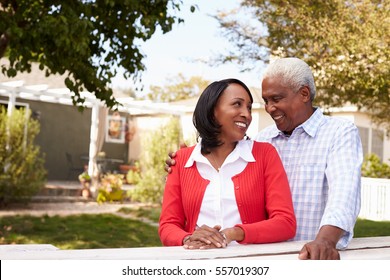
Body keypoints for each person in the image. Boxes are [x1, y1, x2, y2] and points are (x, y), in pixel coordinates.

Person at [165, 58, 363, 259]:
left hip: (316, 253)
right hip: (268, 254)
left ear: (304, 94)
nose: (269, 108)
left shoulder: (339, 133)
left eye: (276, 99)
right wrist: (185, 163)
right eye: (266, 101)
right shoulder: (263, 138)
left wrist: (325, 241)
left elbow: (343, 195)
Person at [159, 78, 296, 249]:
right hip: (196, 263)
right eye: (237, 104)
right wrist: (189, 238)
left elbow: (285, 223)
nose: (246, 114)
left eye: (249, 107)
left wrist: (232, 234)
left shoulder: (265, 155)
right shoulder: (181, 160)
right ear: (212, 110)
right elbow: (168, 225)